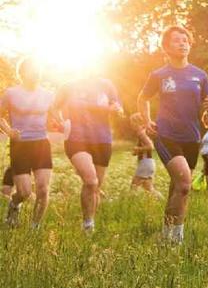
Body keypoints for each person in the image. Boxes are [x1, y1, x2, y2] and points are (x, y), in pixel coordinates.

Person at [137, 26, 208, 244]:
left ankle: (166, 235)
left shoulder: (200, 75)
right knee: (184, 183)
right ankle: (176, 241)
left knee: (178, 189)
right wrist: (147, 121)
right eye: (177, 40)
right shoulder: (159, 75)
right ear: (166, 47)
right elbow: (142, 98)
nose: (183, 43)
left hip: (192, 138)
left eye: (186, 40)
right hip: (166, 134)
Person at [52, 74, 123, 232]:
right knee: (91, 181)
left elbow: (118, 107)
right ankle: (88, 225)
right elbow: (54, 107)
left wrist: (118, 110)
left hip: (102, 140)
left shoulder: (107, 84)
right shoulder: (68, 85)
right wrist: (61, 122)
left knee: (96, 186)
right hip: (76, 138)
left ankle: (90, 222)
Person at [1, 58, 55, 229]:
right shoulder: (11, 93)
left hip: (41, 144)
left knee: (43, 189)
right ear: (22, 73)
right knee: (24, 192)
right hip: (20, 145)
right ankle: (14, 205)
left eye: (38, 69)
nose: (36, 73)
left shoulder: (48, 95)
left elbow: (57, 117)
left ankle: (35, 227)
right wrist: (9, 131)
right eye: (32, 69)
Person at [129, 112, 161, 197]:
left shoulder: (141, 133)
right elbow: (146, 147)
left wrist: (138, 149)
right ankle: (161, 199)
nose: (131, 125)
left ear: (138, 123)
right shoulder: (145, 132)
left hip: (145, 163)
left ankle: (129, 204)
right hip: (149, 163)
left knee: (133, 186)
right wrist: (137, 151)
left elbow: (150, 146)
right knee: (149, 188)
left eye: (132, 122)